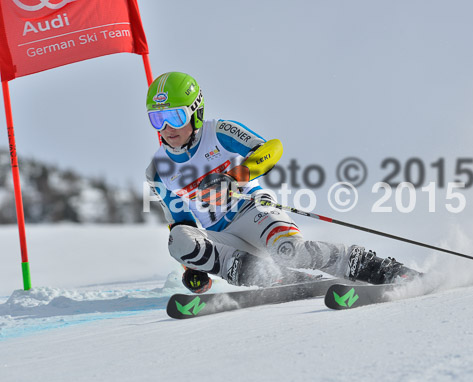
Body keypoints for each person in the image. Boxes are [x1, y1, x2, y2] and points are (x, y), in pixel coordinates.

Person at [145, 72, 419, 293]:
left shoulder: (218, 131)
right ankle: (267, 276)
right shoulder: (158, 170)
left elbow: (271, 149)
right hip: (224, 240)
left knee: (291, 252)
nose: (167, 128)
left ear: (196, 112)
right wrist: (194, 266)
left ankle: (377, 268)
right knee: (176, 241)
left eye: (175, 117)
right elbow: (181, 223)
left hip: (253, 214)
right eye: (157, 118)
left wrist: (236, 177)